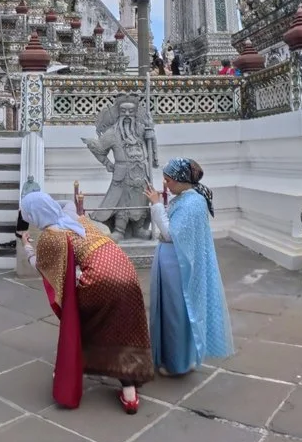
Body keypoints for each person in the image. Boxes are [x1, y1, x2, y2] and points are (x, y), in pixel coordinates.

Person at [21, 190, 154, 414]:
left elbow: (40, 266)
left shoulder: (51, 238)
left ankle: (71, 366)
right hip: (125, 270)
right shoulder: (74, 216)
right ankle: (129, 391)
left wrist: (27, 247)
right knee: (123, 327)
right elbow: (65, 203)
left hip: (98, 279)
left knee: (81, 323)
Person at [145, 158, 233, 377]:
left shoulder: (192, 203)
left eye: (168, 179)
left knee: (177, 313)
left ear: (182, 179)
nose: (165, 184)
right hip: (173, 264)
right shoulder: (186, 198)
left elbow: (170, 234)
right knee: (174, 311)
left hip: (178, 268)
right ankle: (175, 358)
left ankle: (178, 362)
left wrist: (156, 205)